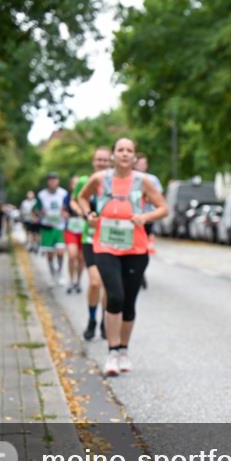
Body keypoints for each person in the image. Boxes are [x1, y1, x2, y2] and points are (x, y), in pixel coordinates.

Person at [77, 138, 167, 376]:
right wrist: (89, 214)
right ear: (114, 155)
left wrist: (145, 218)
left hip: (135, 249)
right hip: (105, 246)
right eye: (120, 150)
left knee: (128, 302)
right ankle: (112, 351)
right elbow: (82, 197)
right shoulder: (100, 179)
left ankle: (124, 350)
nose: (125, 154)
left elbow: (163, 208)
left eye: (129, 150)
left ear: (134, 157)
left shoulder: (143, 181)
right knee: (114, 296)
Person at [72, 147, 111, 339]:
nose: (102, 163)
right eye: (99, 160)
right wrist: (84, 213)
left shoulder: (113, 182)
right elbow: (75, 200)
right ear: (93, 162)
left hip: (109, 239)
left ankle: (105, 320)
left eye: (105, 160)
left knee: (107, 284)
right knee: (96, 282)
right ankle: (92, 320)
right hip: (90, 238)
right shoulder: (84, 181)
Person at [134, 153, 163, 290]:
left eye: (144, 163)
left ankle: (140, 273)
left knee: (144, 248)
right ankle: (134, 273)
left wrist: (147, 196)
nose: (141, 166)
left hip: (147, 219)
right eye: (139, 163)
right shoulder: (130, 178)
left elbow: (159, 200)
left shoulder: (152, 179)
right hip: (133, 219)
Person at [34, 173, 68, 286]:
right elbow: (36, 210)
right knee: (49, 254)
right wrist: (39, 213)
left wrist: (66, 213)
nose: (53, 182)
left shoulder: (63, 193)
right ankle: (52, 275)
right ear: (47, 182)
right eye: (50, 180)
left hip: (60, 227)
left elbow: (68, 208)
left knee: (60, 251)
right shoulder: (41, 195)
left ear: (58, 181)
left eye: (55, 180)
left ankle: (60, 273)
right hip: (47, 226)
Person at [62, 176, 85, 294]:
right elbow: (63, 210)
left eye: (78, 184)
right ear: (71, 185)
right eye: (74, 184)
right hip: (71, 229)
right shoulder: (67, 196)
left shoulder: (86, 195)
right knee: (72, 255)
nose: (76, 186)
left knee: (81, 258)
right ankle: (71, 280)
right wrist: (65, 214)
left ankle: (78, 281)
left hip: (84, 229)